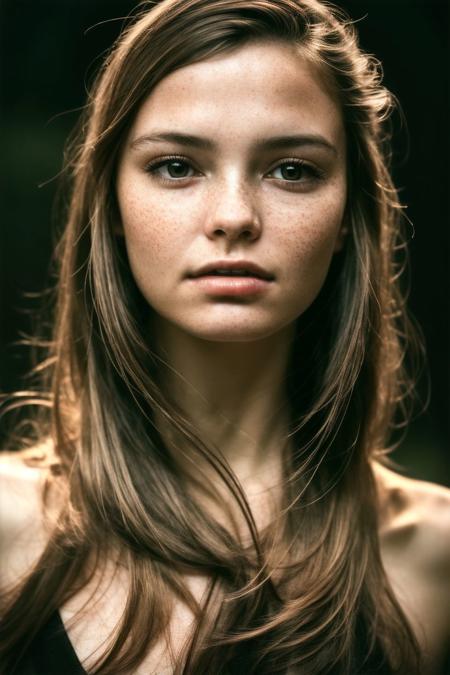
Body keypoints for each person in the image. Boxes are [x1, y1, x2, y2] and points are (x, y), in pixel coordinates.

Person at [0, 0, 449, 673]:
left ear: (348, 217)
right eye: (177, 166)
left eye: (291, 169)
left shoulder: (434, 557)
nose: (234, 216)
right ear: (112, 204)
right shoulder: (8, 530)